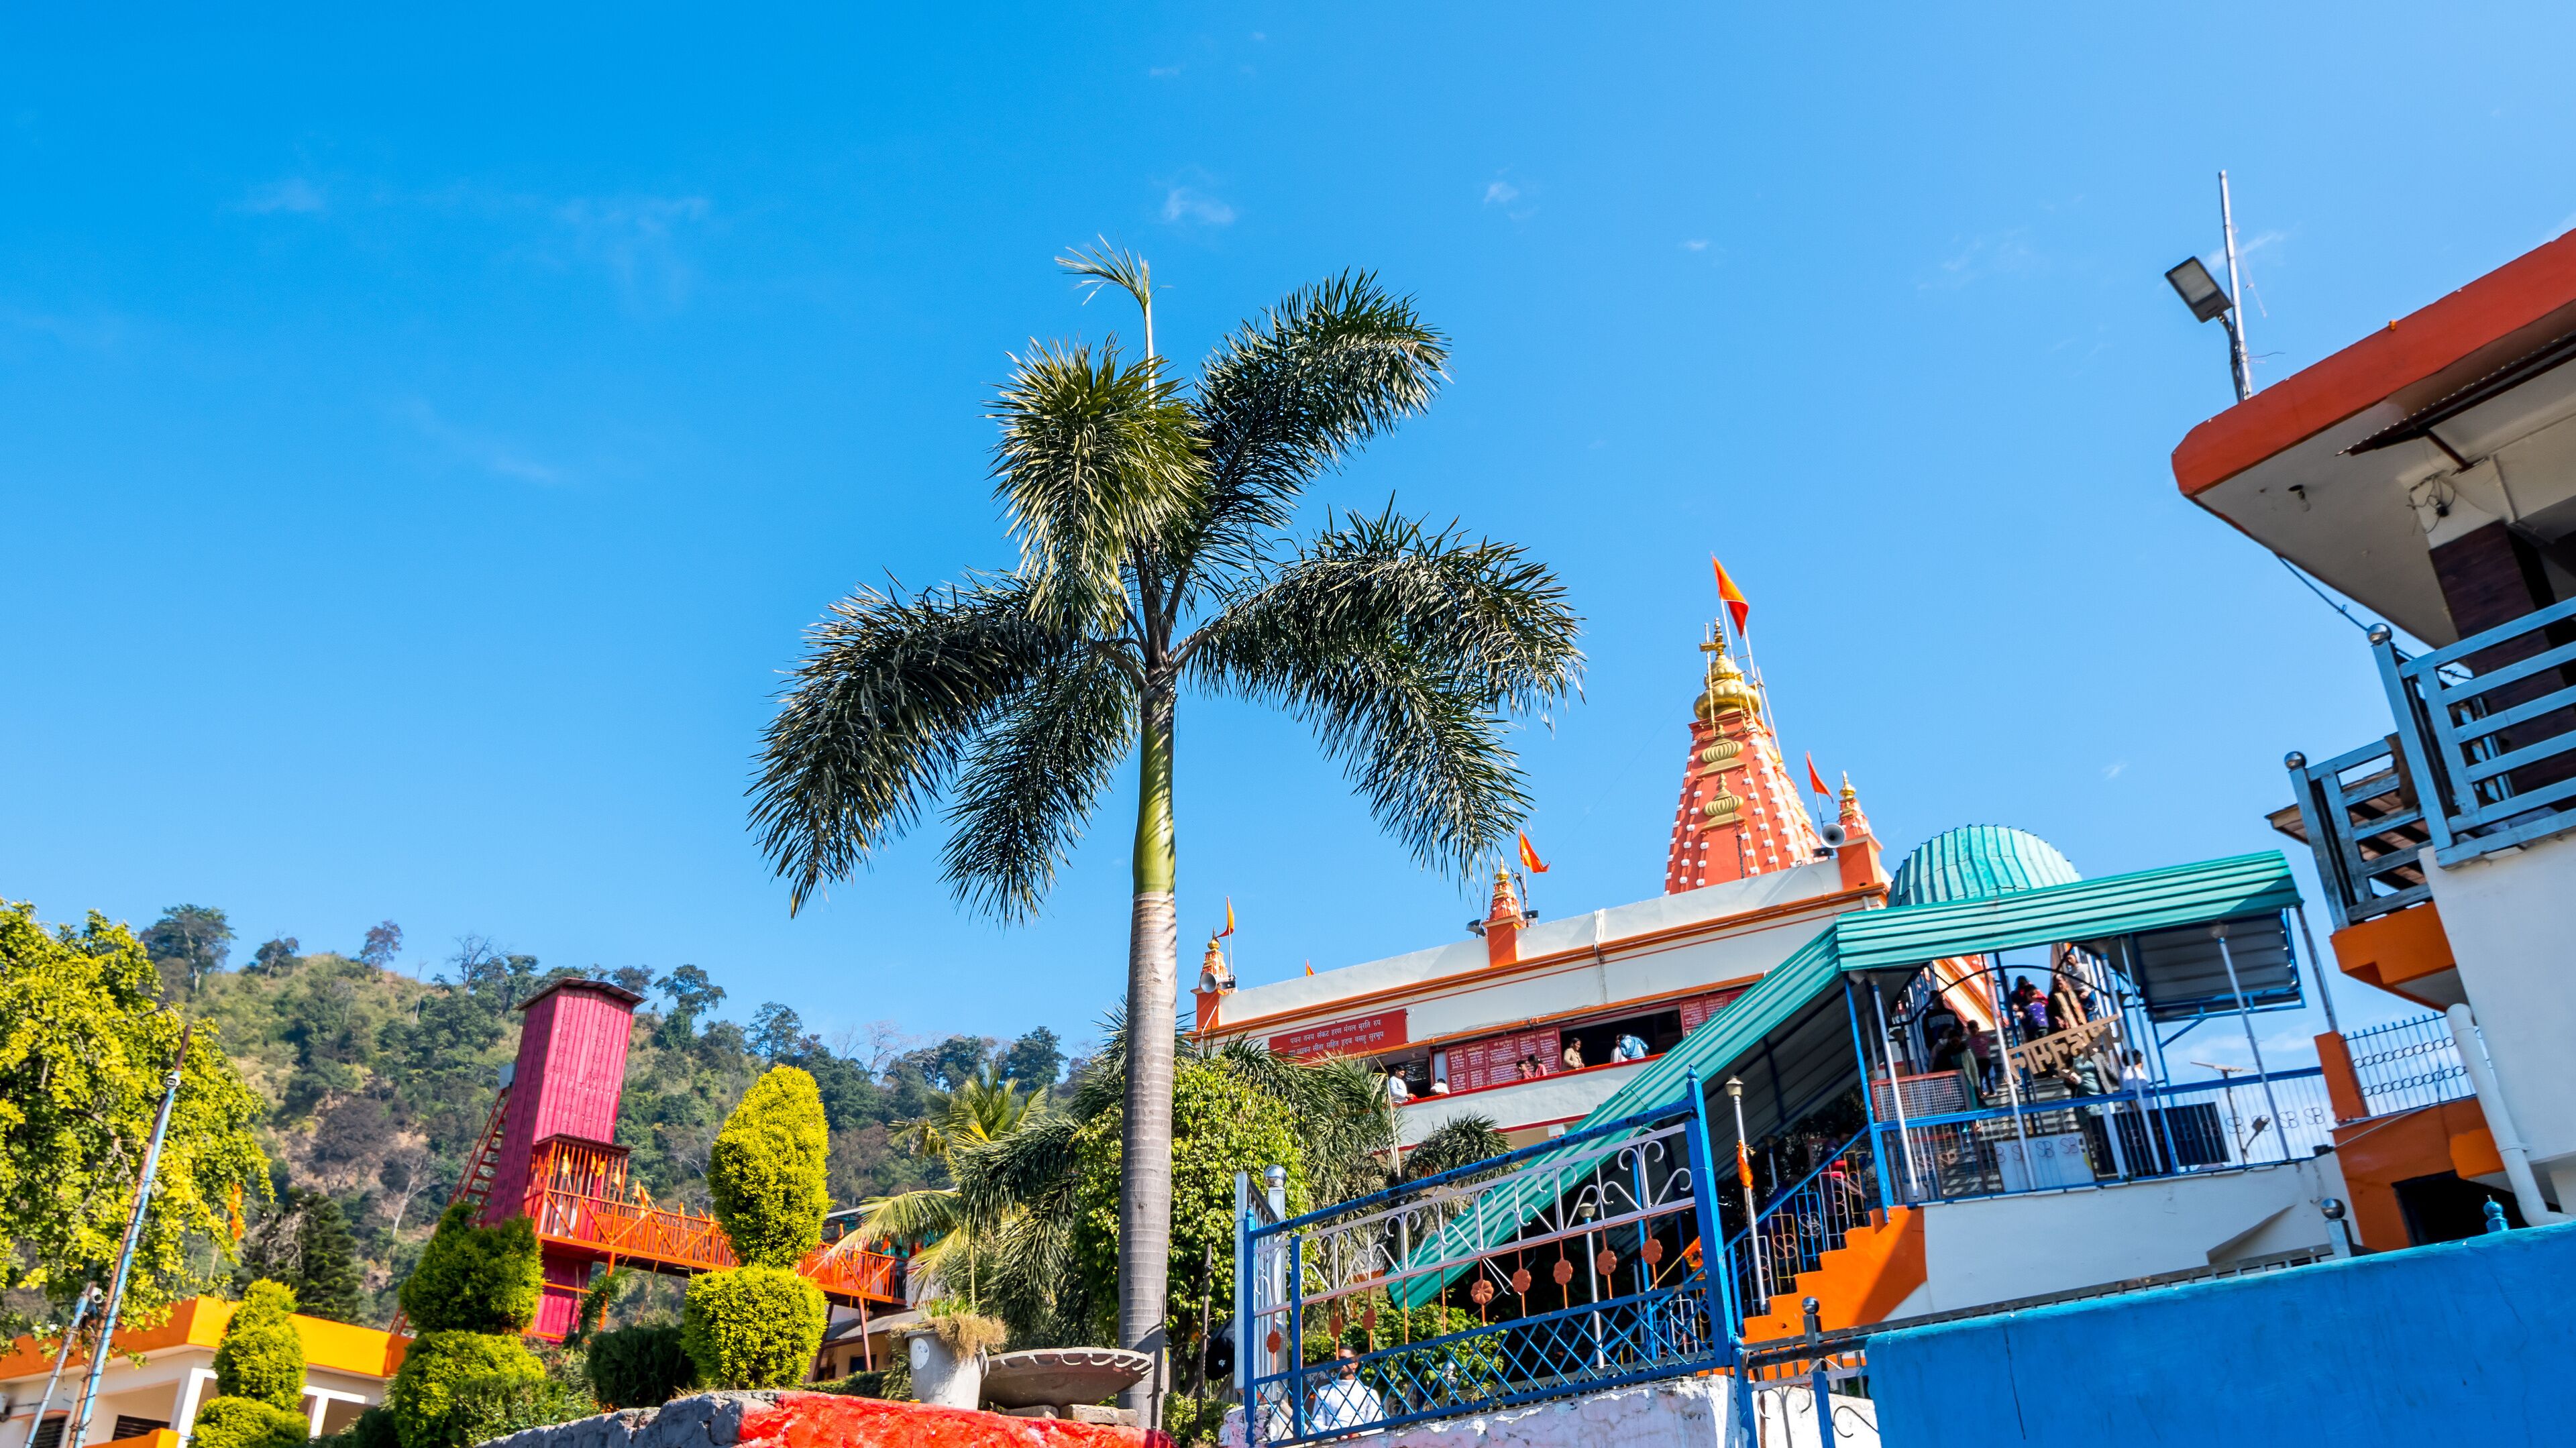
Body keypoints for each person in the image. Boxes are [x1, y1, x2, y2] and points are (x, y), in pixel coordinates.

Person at [1309, 1346, 1386, 1432]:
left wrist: (1358, 1434)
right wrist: (1337, 1433)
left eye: (1343, 1359)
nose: (1338, 1362)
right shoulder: (1324, 1391)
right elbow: (1316, 1425)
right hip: (1332, 1442)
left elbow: (1376, 1426)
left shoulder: (1369, 1393)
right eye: (1336, 1359)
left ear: (1355, 1364)